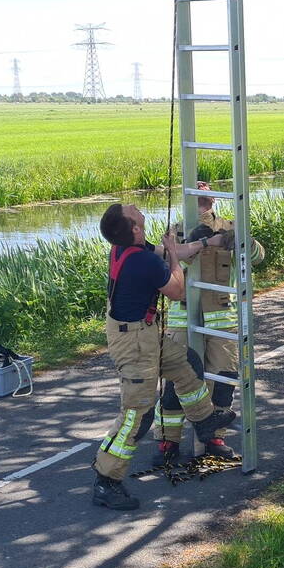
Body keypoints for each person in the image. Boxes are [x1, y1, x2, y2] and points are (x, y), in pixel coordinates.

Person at [93, 202, 237, 510]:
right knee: (136, 416)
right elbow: (178, 290)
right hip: (133, 343)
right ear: (134, 227)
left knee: (187, 365)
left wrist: (201, 244)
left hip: (144, 335)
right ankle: (107, 481)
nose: (133, 205)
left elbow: (172, 253)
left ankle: (205, 421)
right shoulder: (142, 261)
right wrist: (173, 256)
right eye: (130, 210)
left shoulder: (130, 249)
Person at [153, 182, 266, 466]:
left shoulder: (229, 227)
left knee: (223, 379)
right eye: (195, 190)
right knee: (178, 382)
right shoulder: (173, 233)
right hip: (183, 318)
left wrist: (245, 241)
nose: (201, 194)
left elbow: (257, 258)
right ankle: (169, 439)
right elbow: (165, 265)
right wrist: (192, 244)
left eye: (205, 190)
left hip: (221, 318)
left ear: (213, 199)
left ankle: (214, 437)